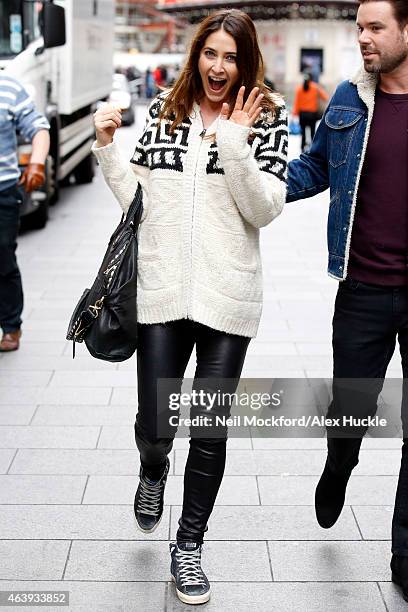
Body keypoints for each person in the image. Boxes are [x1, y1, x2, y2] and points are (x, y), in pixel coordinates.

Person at [92, 8, 287, 605]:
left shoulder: (268, 121)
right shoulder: (164, 112)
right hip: (163, 292)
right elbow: (139, 201)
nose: (219, 67)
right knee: (157, 423)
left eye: (231, 57)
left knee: (209, 428)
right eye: (211, 54)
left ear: (246, 61)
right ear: (196, 55)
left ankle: (189, 548)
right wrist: (107, 150)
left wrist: (233, 141)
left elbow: (265, 208)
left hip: (229, 295)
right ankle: (153, 469)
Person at [287, 0, 408, 603]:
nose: (363, 37)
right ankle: (340, 465)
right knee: (352, 411)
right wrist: (249, 183)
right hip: (362, 289)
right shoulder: (348, 99)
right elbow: (312, 170)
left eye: (375, 27)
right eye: (358, 27)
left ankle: (405, 555)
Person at [0, 74, 50, 352]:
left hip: (3, 190)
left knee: (3, 257)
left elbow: (38, 128)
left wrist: (37, 163)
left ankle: (10, 326)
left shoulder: (8, 87)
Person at [292, 73, 329, 151]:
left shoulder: (299, 89)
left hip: (302, 115)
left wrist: (294, 114)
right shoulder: (315, 87)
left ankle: (302, 148)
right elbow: (325, 97)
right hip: (312, 114)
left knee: (303, 133)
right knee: (312, 133)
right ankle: (313, 148)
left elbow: (297, 103)